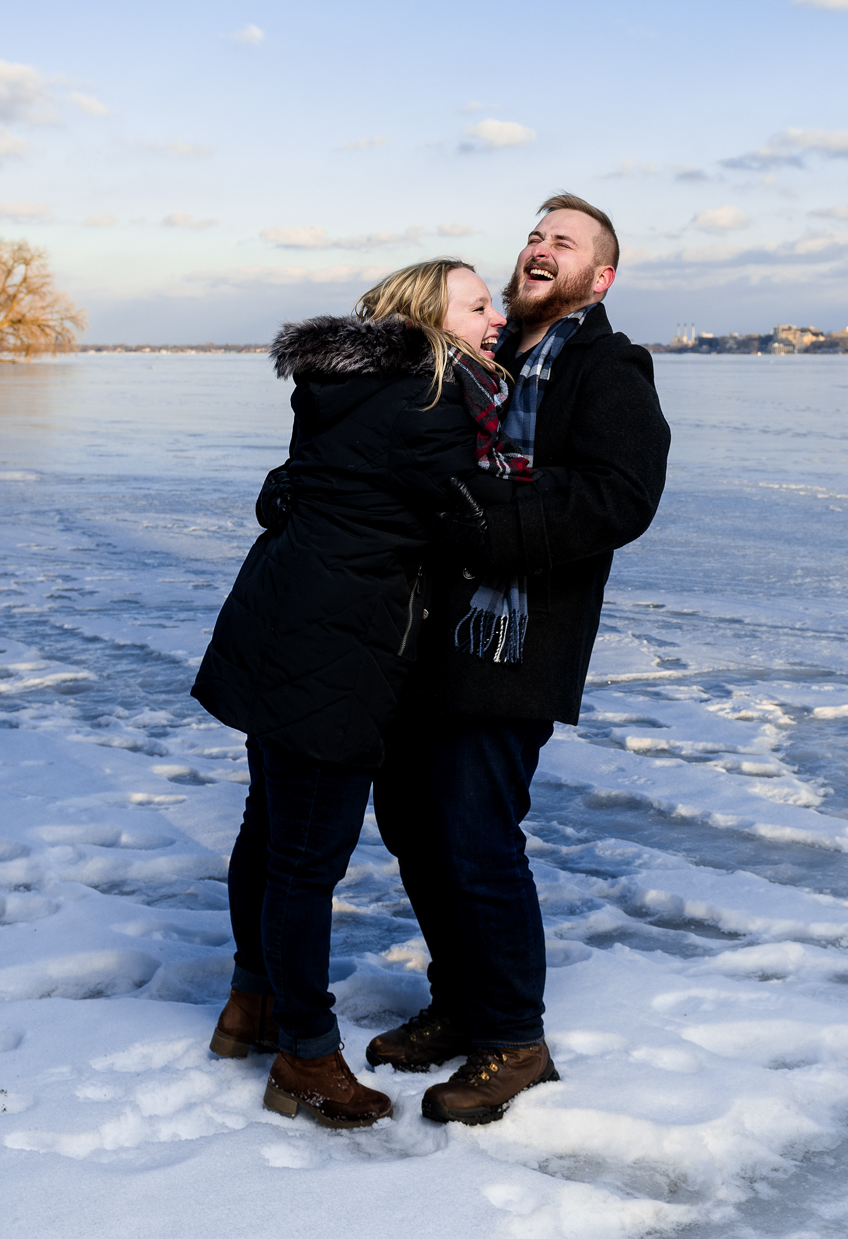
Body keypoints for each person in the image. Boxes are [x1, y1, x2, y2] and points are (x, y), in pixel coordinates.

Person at [367, 193, 672, 1126]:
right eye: (534, 234)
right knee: (413, 823)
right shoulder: (484, 359)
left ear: (599, 278)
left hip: (514, 638)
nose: (540, 249)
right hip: (432, 630)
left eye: (564, 242)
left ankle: (515, 1038)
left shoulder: (608, 368)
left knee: (473, 834)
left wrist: (484, 524)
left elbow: (622, 495)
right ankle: (462, 1003)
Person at [190, 257, 507, 1130]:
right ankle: (304, 1056)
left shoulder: (352, 388)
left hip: (279, 625)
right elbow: (478, 517)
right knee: (306, 859)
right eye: (479, 307)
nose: (496, 319)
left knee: (270, 829)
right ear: (428, 320)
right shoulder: (434, 404)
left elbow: (305, 488)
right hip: (336, 650)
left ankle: (249, 1008)